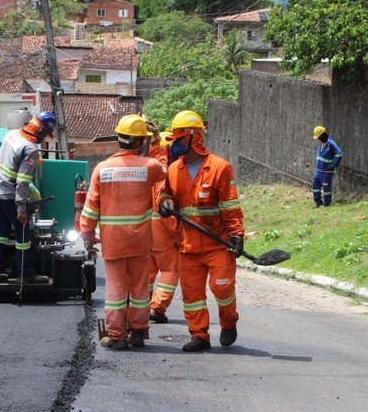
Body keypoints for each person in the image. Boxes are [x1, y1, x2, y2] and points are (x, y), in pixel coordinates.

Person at [158, 110, 245, 352]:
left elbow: (230, 206)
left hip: (218, 243)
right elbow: (165, 193)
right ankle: (199, 335)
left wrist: (237, 235)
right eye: (173, 139)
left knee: (222, 287)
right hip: (188, 245)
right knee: (192, 294)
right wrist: (165, 203)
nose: (175, 144)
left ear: (194, 137)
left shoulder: (220, 168)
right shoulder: (174, 170)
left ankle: (228, 322)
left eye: (180, 138)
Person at [80, 115, 167, 350]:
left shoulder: (102, 169)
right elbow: (164, 172)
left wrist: (87, 236)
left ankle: (117, 335)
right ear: (139, 142)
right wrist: (155, 141)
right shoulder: (150, 167)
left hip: (113, 242)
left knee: (117, 290)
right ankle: (138, 332)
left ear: (118, 139)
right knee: (139, 289)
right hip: (140, 241)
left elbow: (90, 208)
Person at [0, 112, 57, 285]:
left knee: (1, 231)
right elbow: (22, 181)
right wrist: (21, 208)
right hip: (9, 196)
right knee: (23, 233)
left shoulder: (11, 134)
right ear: (41, 132)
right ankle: (26, 274)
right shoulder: (30, 149)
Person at [148, 130, 179, 324]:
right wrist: (178, 235)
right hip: (161, 232)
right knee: (170, 270)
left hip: (142, 232)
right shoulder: (163, 171)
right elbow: (165, 208)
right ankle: (157, 307)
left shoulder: (142, 165)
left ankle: (140, 306)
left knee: (148, 272)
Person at [312, 125, 342, 208]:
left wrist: (333, 165)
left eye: (319, 137)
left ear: (323, 134)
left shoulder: (331, 144)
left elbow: (339, 154)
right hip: (318, 171)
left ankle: (327, 204)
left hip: (326, 172)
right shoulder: (322, 143)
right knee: (315, 186)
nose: (318, 139)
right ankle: (318, 203)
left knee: (326, 189)